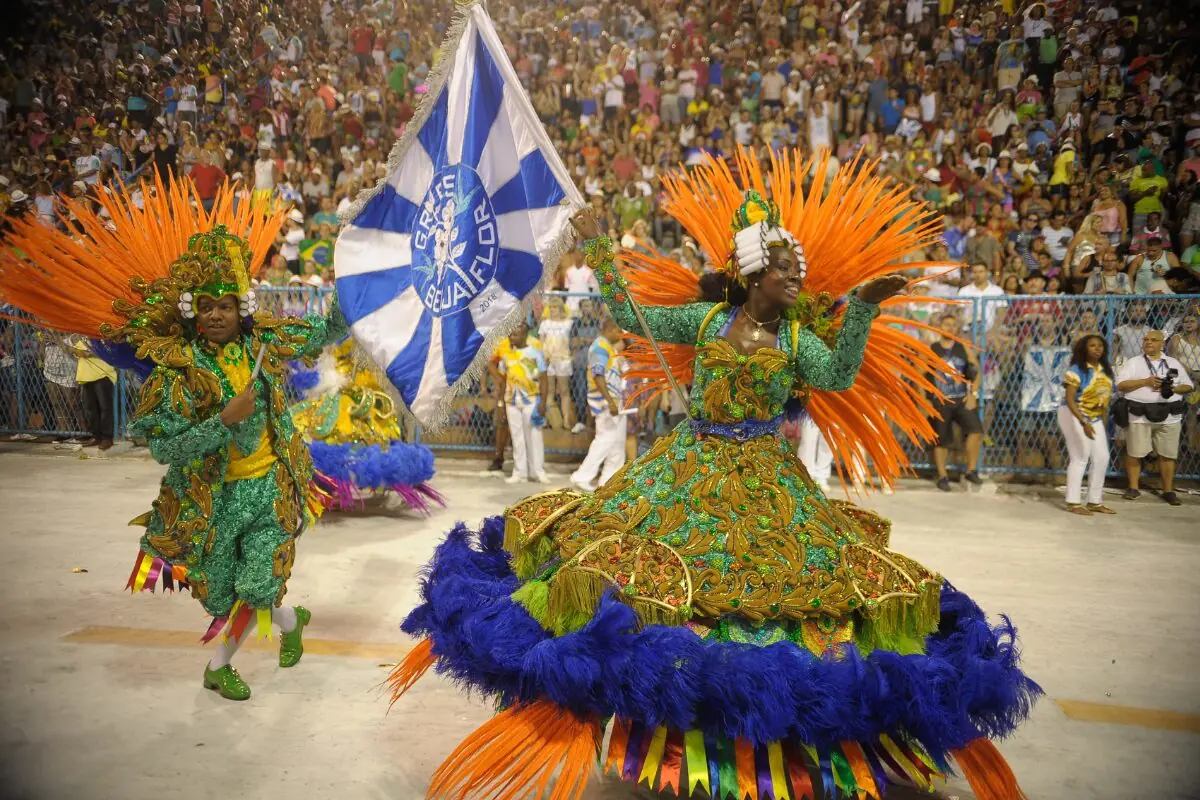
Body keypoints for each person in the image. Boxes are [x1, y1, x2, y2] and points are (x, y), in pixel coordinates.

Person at [387, 153, 1037, 800]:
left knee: (790, 587)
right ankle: (659, 715)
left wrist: (863, 308)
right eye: (784, 272)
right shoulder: (704, 322)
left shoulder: (796, 342)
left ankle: (753, 731)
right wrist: (601, 251)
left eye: (799, 274)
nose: (796, 282)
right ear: (753, 275)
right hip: (690, 465)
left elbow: (839, 375)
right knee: (640, 573)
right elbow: (630, 317)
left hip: (768, 479)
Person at [0, 182, 349, 701]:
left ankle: (218, 667)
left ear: (241, 306)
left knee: (256, 585)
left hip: (272, 488)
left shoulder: (265, 340)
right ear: (192, 310)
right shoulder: (178, 371)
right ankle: (291, 621)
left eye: (225, 305)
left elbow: (326, 330)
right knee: (226, 595)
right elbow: (165, 448)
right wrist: (223, 421)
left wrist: (355, 277)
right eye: (206, 306)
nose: (216, 315)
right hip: (216, 497)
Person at [289, 338, 443, 514]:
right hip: (336, 396)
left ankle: (342, 483)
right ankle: (327, 486)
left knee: (354, 430)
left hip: (357, 399)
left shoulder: (364, 341)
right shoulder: (332, 341)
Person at [1116, 330, 1194, 506]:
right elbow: (1121, 385)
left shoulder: (1173, 363)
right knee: (1134, 452)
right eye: (1146, 339)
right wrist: (1145, 381)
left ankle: (1168, 491)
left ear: (1162, 343)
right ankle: (1133, 488)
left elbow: (1188, 386)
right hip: (1140, 414)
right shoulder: (1134, 362)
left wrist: (1173, 388)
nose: (1148, 342)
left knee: (1168, 454)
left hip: (1170, 416)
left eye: (1153, 340)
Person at [1057, 335, 1116, 516]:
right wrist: (1083, 422)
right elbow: (1070, 399)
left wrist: (1098, 421)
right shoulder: (1076, 370)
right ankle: (1073, 501)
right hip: (1073, 413)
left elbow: (1104, 400)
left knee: (1102, 457)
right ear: (1084, 349)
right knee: (1080, 456)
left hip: (1094, 417)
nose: (1097, 349)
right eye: (1092, 345)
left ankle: (1094, 501)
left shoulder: (1106, 371)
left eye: (1100, 346)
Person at [569, 315, 626, 492]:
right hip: (604, 400)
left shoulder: (608, 347)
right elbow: (597, 375)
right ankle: (582, 476)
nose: (621, 335)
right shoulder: (600, 347)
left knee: (617, 442)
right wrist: (609, 401)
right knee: (605, 438)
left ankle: (608, 482)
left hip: (614, 399)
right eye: (619, 331)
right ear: (610, 329)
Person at [929, 312, 984, 491]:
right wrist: (924, 401)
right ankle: (942, 475)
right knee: (941, 440)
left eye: (953, 325)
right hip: (941, 400)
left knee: (976, 431)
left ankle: (971, 470)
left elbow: (977, 371)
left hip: (961, 399)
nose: (950, 328)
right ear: (939, 327)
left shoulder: (962, 348)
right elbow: (918, 374)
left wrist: (973, 394)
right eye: (947, 324)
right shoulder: (932, 348)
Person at [497, 320, 549, 484]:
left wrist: (543, 402)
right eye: (510, 335)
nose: (511, 337)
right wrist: (500, 404)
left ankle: (538, 471)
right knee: (517, 438)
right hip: (511, 402)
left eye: (515, 334)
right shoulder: (506, 357)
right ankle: (520, 472)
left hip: (531, 400)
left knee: (534, 436)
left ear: (525, 335)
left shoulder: (535, 354)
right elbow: (502, 382)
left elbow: (543, 379)